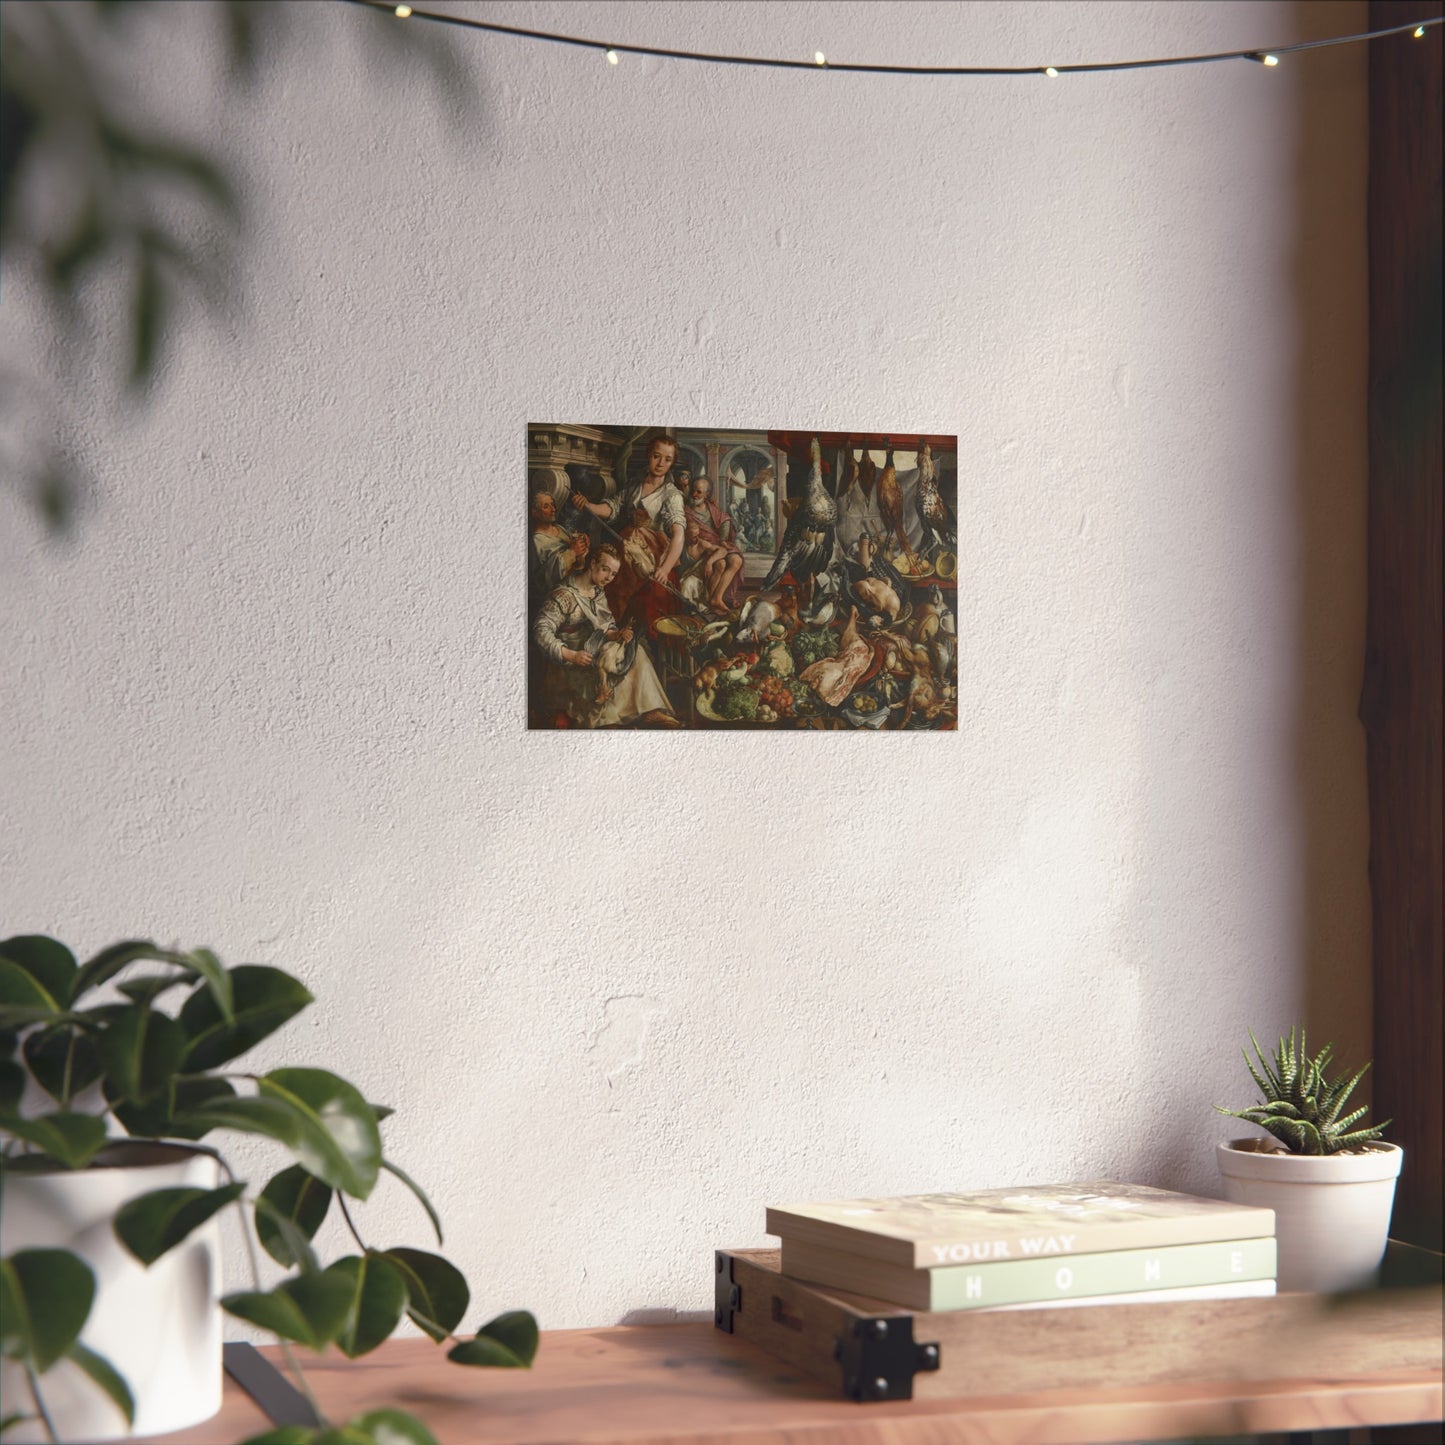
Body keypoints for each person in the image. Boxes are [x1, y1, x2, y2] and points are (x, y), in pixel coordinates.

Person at [532, 544, 677, 727]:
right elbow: (541, 631)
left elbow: (604, 626)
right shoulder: (564, 595)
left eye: (613, 574)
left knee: (636, 652)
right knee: (606, 671)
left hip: (593, 649)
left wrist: (617, 634)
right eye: (605, 570)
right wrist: (571, 655)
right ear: (592, 564)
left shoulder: (597, 592)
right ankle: (616, 719)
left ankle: (650, 710)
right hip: (570, 662)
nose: (609, 577)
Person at [571, 434, 686, 630]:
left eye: (667, 459)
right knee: (611, 586)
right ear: (649, 455)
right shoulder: (635, 485)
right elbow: (613, 507)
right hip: (625, 546)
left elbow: (679, 534)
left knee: (647, 601)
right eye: (656, 456)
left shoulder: (672, 494)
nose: (660, 463)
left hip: (652, 556)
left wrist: (664, 570)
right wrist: (588, 505)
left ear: (672, 462)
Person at [682, 474, 745, 612]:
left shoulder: (711, 507)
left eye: (699, 492)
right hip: (701, 549)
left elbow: (725, 518)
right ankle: (712, 599)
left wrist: (722, 539)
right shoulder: (686, 511)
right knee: (720, 564)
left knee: (736, 560)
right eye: (693, 490)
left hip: (716, 545)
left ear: (707, 494)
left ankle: (717, 598)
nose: (694, 494)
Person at [530, 490, 590, 596]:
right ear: (534, 512)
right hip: (560, 594)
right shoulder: (536, 542)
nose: (553, 509)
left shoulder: (559, 528)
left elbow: (575, 554)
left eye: (553, 505)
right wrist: (572, 552)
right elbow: (545, 578)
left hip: (577, 585)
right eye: (546, 506)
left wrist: (582, 543)